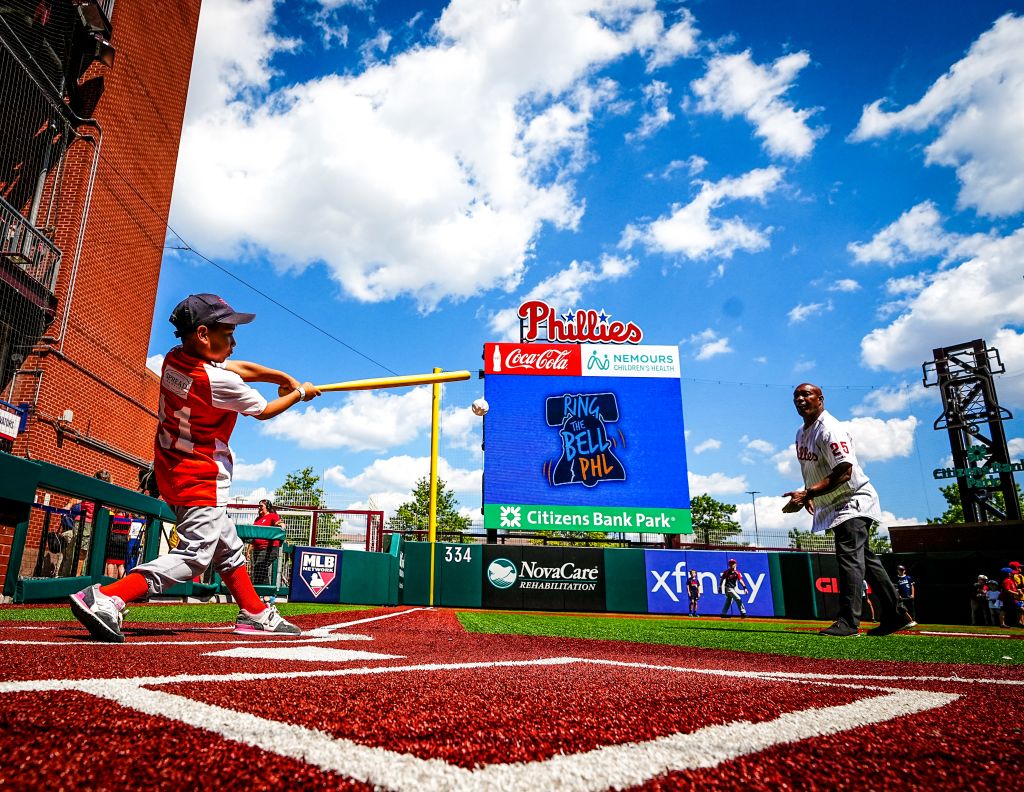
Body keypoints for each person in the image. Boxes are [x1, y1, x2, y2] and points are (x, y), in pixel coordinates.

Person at [68, 293, 321, 643]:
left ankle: (255, 612)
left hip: (171, 471)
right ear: (203, 334)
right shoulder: (216, 382)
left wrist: (282, 376)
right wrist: (300, 393)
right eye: (227, 335)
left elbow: (238, 368)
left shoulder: (176, 360)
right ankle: (109, 597)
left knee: (227, 546)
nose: (233, 342)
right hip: (201, 477)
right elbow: (264, 411)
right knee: (196, 556)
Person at [783, 383, 915, 637]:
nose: (800, 399)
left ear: (820, 399)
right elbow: (817, 469)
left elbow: (844, 472)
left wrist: (809, 493)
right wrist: (810, 492)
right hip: (834, 502)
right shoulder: (801, 432)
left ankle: (849, 621)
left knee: (849, 559)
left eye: (806, 394)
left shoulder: (830, 429)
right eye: (796, 395)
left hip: (853, 499)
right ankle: (897, 615)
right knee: (867, 560)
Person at [250, 499, 283, 587]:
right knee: (258, 571)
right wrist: (249, 551)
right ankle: (263, 595)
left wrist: (282, 525)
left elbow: (279, 523)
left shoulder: (273, 516)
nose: (259, 508)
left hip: (269, 548)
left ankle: (266, 595)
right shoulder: (257, 519)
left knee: (260, 567)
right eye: (259, 506)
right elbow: (254, 536)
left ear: (267, 507)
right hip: (257, 549)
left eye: (261, 506)